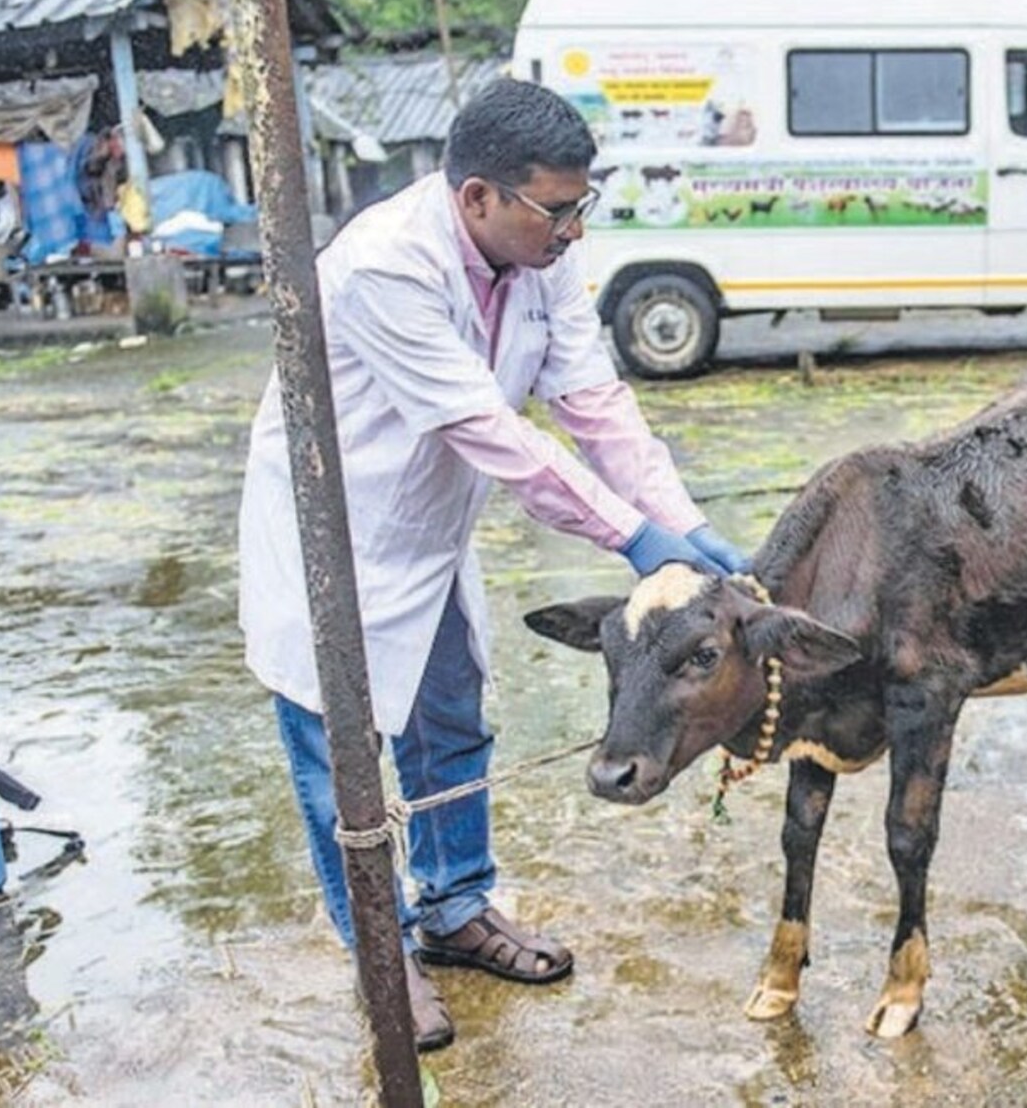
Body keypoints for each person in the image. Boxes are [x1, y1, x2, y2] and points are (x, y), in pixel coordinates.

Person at [238, 78, 750, 1052]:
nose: (573, 231)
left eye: (579, 206)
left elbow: (591, 398)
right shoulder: (382, 267)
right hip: (336, 536)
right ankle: (383, 962)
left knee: (450, 721)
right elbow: (485, 429)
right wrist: (626, 538)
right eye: (558, 210)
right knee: (336, 762)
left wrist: (680, 523)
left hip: (427, 531)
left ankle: (457, 907)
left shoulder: (539, 253)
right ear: (477, 197)